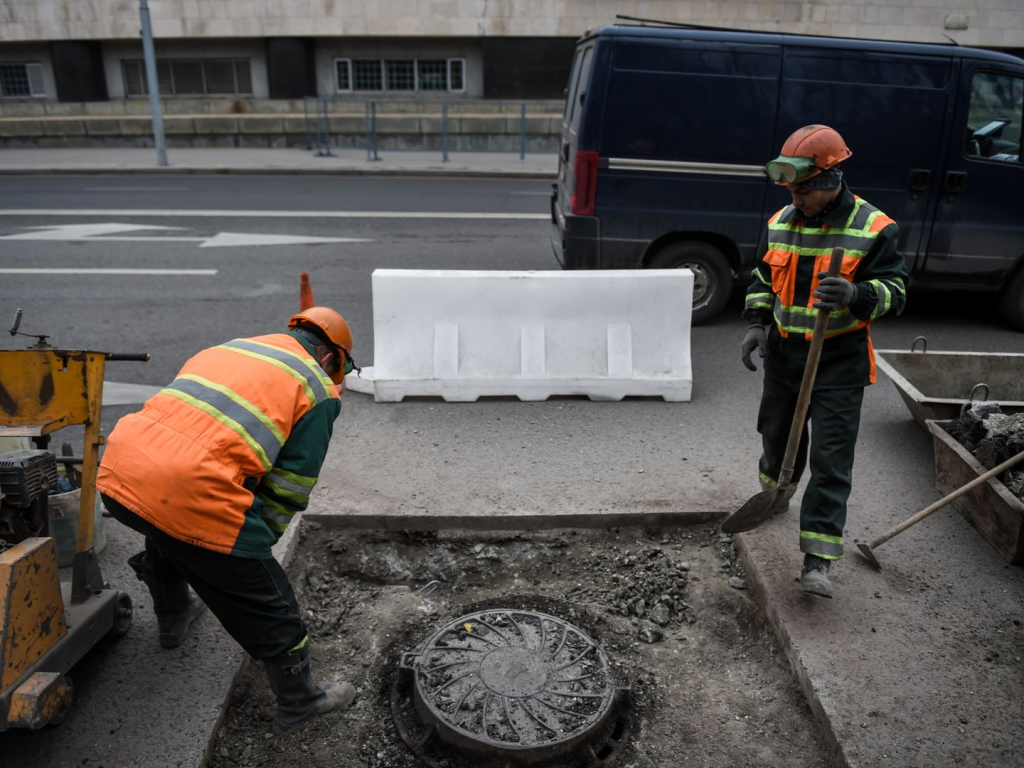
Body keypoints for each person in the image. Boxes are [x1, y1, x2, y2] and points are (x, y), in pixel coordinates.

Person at [97, 307, 360, 734]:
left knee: (168, 529)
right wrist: (253, 547)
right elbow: (290, 485)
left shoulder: (233, 348)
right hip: (186, 491)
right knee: (272, 605)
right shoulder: (317, 389)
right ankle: (301, 701)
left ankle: (174, 617)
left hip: (120, 474)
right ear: (331, 357)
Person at [740, 125, 908, 599]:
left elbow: (897, 294)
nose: (796, 200)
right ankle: (776, 494)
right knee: (775, 432)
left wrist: (858, 294)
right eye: (791, 190)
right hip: (786, 353)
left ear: (830, 180)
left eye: (803, 190)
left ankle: (818, 557)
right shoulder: (781, 221)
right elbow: (761, 276)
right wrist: (756, 322)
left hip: (838, 359)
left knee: (831, 457)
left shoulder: (874, 228)